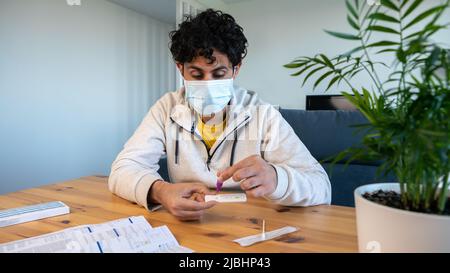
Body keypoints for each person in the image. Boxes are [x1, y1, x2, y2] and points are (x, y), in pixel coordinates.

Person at [109, 9, 331, 221]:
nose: (207, 84)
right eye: (196, 74)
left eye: (219, 74)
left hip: (251, 227)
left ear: (236, 69)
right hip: (189, 225)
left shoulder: (262, 115)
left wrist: (277, 178)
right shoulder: (167, 108)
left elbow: (321, 186)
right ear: (180, 69)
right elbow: (123, 169)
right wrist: (160, 191)